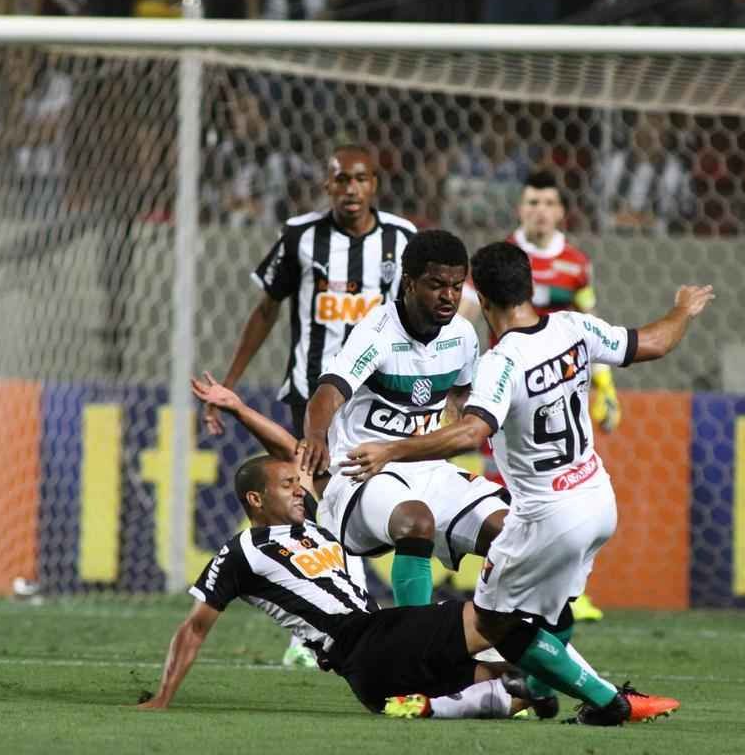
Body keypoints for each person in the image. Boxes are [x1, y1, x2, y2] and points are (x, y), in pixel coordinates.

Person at [340, 241, 710, 724]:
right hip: (598, 500)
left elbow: (471, 432)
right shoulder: (574, 327)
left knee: (495, 624)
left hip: (546, 515)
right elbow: (656, 342)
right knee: (550, 614)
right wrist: (682, 309)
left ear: (481, 299)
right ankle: (539, 690)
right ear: (529, 287)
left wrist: (390, 450)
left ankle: (604, 702)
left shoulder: (503, 361)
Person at [137, 451, 573, 720]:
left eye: (298, 483)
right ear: (255, 499)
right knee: (497, 619)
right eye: (287, 485)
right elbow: (195, 627)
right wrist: (163, 697)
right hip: (369, 639)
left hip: (373, 673)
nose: (298, 490)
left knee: (518, 684)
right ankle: (604, 700)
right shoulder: (243, 551)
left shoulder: (312, 523)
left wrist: (236, 406)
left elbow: (299, 452)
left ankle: (425, 706)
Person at [204, 143, 415, 667]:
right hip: (313, 394)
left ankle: (349, 623)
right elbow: (266, 310)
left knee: (359, 504)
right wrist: (230, 383)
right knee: (323, 500)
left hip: (377, 399)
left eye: (360, 179)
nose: (351, 189)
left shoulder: (402, 239)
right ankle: (335, 625)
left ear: (375, 184)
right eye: (341, 179)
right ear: (327, 185)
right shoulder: (300, 236)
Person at [299, 229, 508, 610]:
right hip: (364, 473)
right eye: (436, 285)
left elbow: (460, 392)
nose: (448, 296)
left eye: (456, 286)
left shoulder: (462, 335)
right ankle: (415, 637)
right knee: (417, 522)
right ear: (409, 283)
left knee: (511, 534)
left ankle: (501, 636)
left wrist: (454, 421)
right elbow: (328, 392)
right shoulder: (377, 332)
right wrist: (315, 436)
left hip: (428, 469)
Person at [457, 169, 616, 622]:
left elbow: (591, 322)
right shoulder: (501, 258)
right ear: (520, 209)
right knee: (509, 486)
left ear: (561, 211)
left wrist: (605, 386)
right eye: (532, 203)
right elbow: (466, 314)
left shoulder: (576, 264)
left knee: (573, 483)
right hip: (509, 393)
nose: (539, 211)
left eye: (548, 203)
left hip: (561, 385)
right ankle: (517, 580)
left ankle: (570, 589)